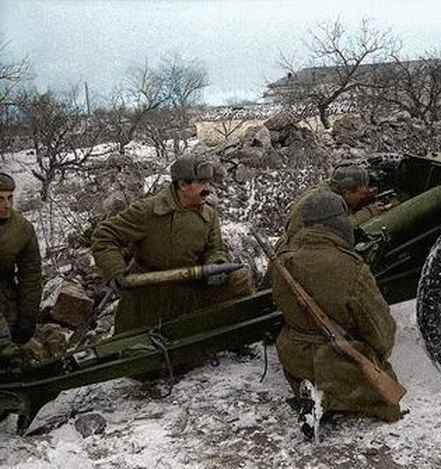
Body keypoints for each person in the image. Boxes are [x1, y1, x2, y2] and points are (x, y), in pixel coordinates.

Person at [271, 191, 402, 440]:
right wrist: (373, 355)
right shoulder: (352, 268)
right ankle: (324, 398)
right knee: (383, 395)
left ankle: (308, 390)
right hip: (336, 360)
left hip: (293, 355)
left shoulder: (282, 260)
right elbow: (382, 333)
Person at [91, 155, 253, 334]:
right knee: (137, 352)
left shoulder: (209, 215)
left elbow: (214, 249)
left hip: (187, 292)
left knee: (239, 277)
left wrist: (217, 264)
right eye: (202, 183)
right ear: (183, 185)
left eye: (209, 183)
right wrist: (115, 271)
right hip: (148, 295)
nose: (209, 190)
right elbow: (104, 235)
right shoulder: (148, 210)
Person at [0, 172, 42, 365]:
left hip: (5, 293)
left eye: (9, 198)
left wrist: (27, 315)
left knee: (21, 345)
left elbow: (31, 275)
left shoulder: (22, 229)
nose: (6, 205)